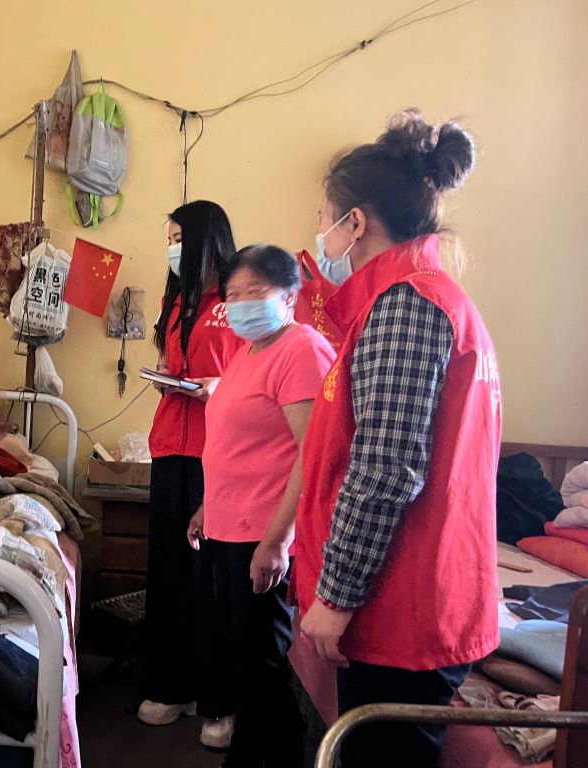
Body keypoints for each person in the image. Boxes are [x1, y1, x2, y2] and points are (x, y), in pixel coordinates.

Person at [293, 109, 502, 768]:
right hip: (409, 597)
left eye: (324, 217)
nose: (319, 232)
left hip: (402, 606)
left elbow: (385, 468)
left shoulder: (407, 304)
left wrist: (335, 596)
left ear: (356, 223)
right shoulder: (419, 299)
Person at [186, 244, 335, 768]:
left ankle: (267, 758)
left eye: (255, 291)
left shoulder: (302, 349)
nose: (242, 303)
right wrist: (206, 507)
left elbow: (312, 453)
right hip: (228, 526)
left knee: (261, 663)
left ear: (290, 295)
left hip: (262, 533)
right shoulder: (249, 352)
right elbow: (237, 444)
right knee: (242, 657)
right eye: (233, 295)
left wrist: (278, 540)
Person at [139, 200, 242, 749]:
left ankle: (219, 701)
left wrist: (219, 387)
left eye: (180, 238)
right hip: (169, 446)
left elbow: (253, 372)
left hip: (218, 452)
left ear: (206, 239)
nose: (173, 249)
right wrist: (167, 375)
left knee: (211, 579)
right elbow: (176, 361)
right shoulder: (175, 300)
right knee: (168, 569)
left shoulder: (237, 302)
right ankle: (171, 686)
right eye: (170, 239)